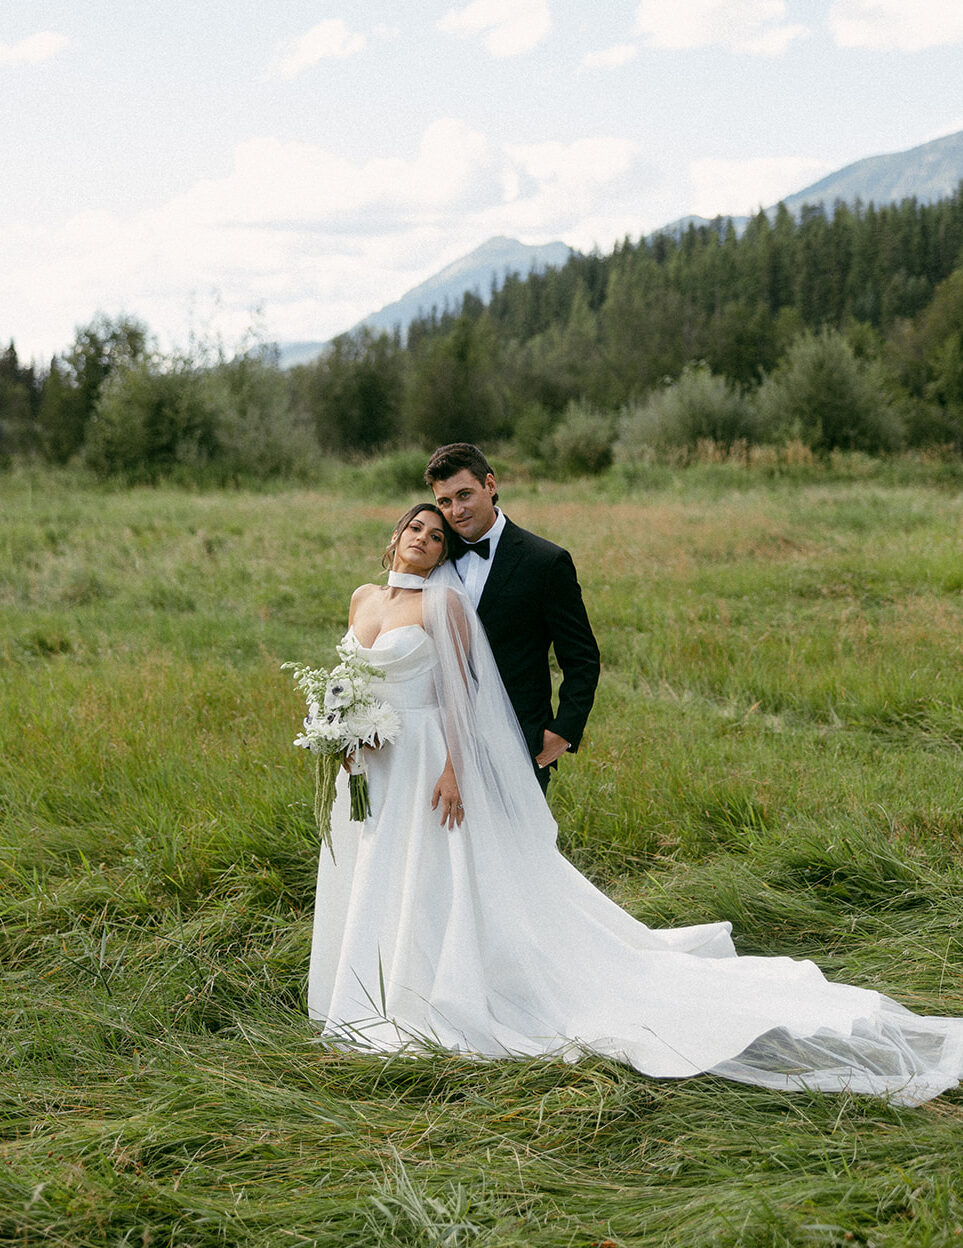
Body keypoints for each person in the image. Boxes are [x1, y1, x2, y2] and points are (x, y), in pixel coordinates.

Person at [306, 504, 963, 1106]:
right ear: (393, 536)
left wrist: (453, 769)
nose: (423, 539)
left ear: (443, 552)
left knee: (434, 875)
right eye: (415, 529)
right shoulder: (363, 597)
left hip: (428, 759)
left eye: (436, 535)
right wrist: (341, 734)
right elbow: (347, 675)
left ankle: (435, 992)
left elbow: (462, 695)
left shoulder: (444, 606)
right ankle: (377, 988)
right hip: (375, 762)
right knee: (379, 867)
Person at [425, 443, 600, 793]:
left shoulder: (545, 562)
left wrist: (561, 733)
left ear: (490, 484)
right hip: (435, 741)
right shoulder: (431, 555)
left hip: (518, 740)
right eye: (444, 502)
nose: (456, 511)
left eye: (464, 495)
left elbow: (582, 658)